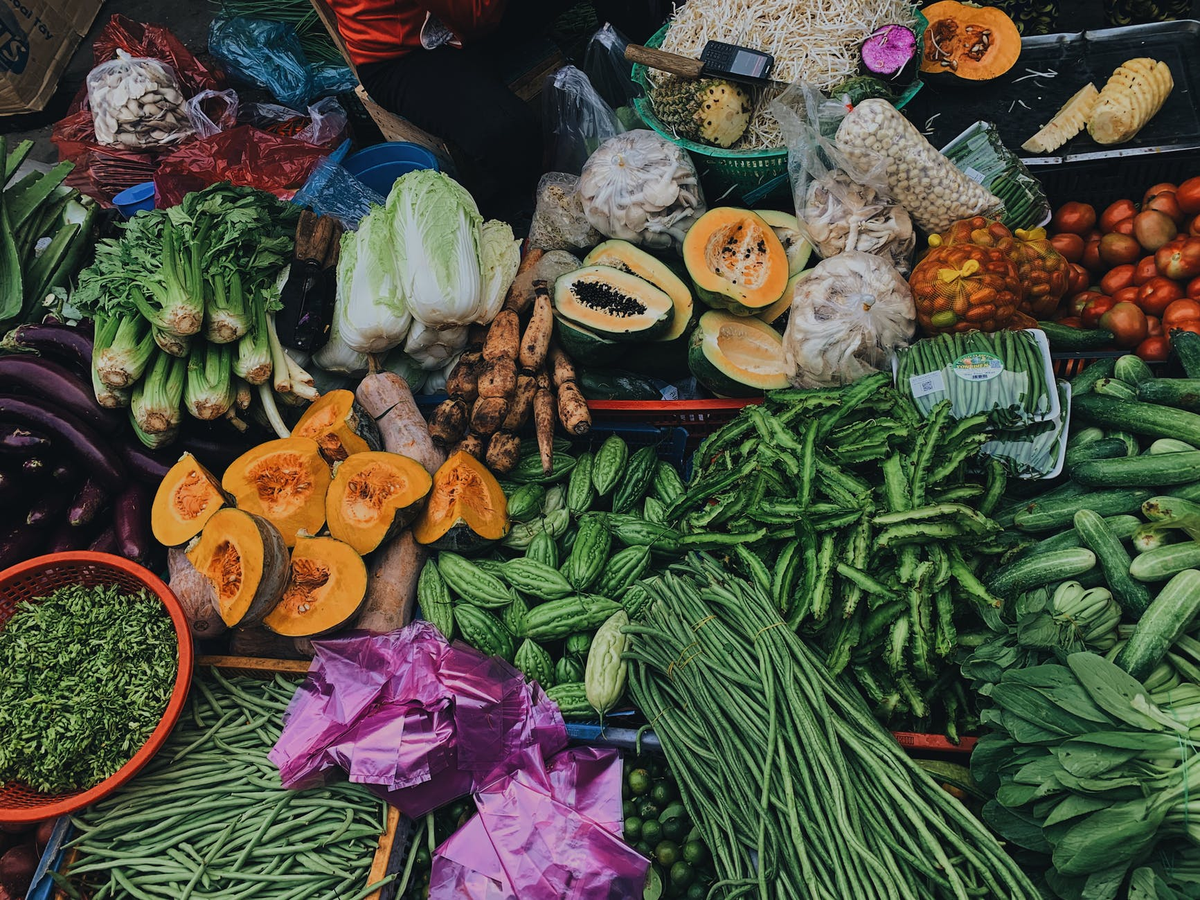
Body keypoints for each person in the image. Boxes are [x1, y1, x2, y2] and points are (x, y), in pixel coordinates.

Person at [328, 0, 665, 219]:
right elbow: (476, 14)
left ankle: (657, 82)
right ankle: (554, 212)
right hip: (406, 53)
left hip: (474, 18)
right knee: (505, 132)